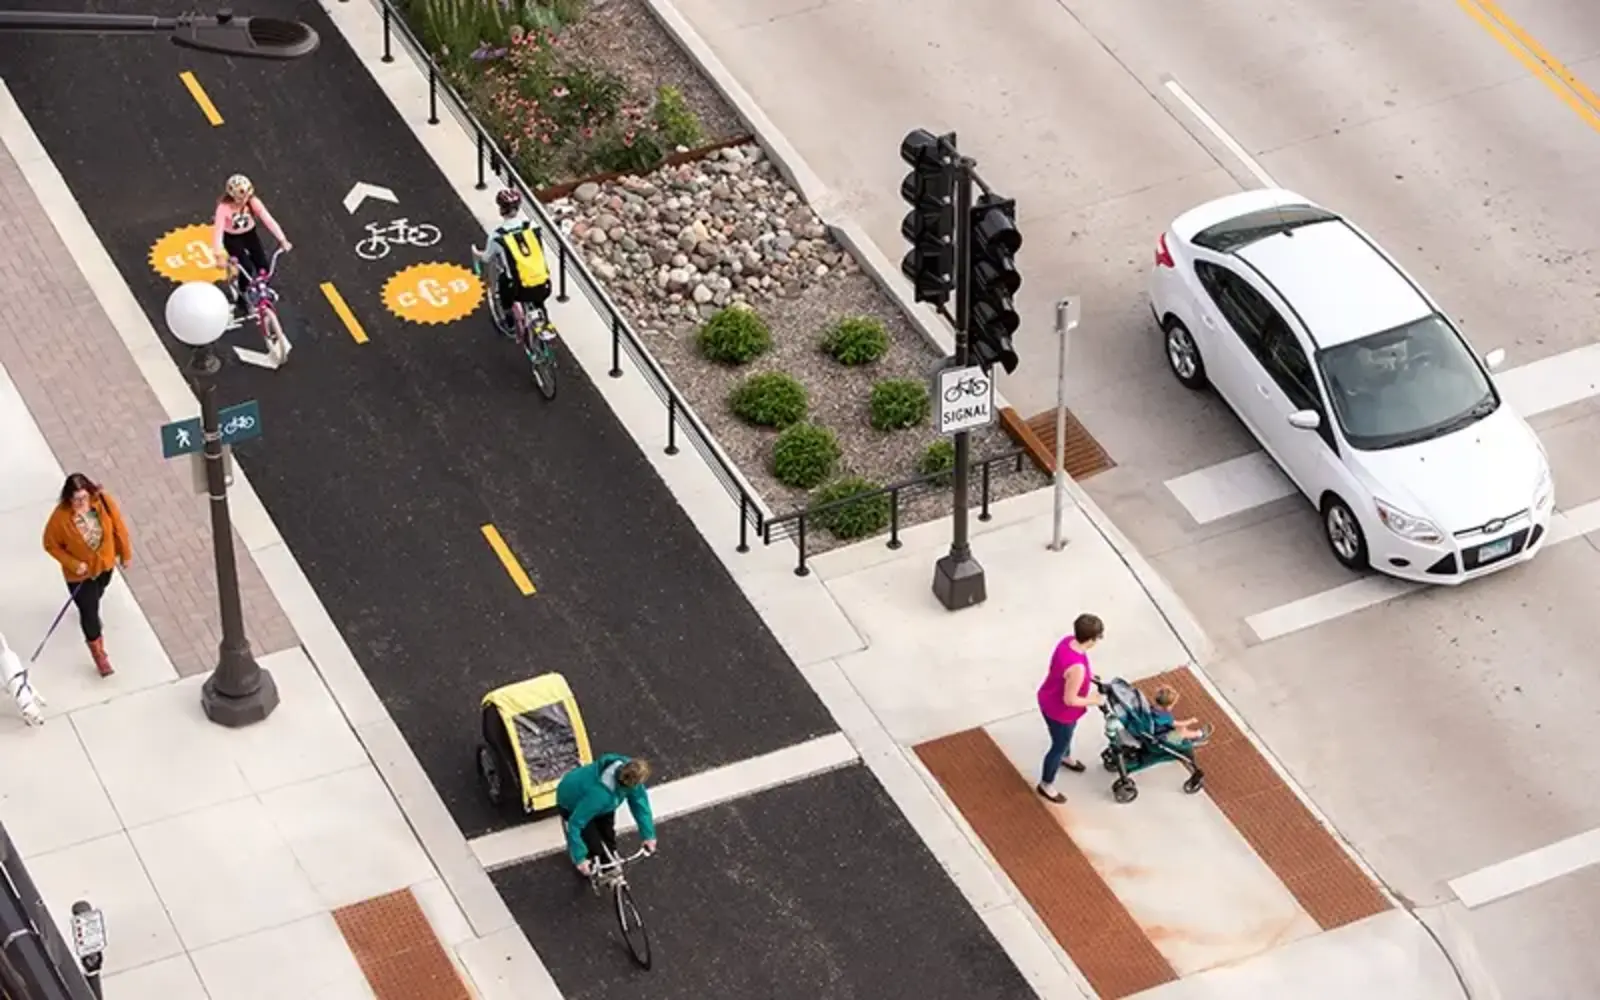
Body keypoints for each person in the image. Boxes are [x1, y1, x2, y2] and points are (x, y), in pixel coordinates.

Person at [41, 474, 132, 677]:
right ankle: (99, 654)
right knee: (89, 612)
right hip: (79, 575)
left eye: (84, 497)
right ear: (68, 498)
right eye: (76, 499)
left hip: (104, 566)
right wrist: (73, 564)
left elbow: (119, 527)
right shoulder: (60, 518)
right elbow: (50, 544)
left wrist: (125, 554)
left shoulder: (103, 502)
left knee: (98, 593)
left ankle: (92, 607)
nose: (81, 503)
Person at [1035, 612, 1105, 804]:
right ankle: (1046, 784)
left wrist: (1088, 677)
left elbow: (1064, 670)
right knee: (1058, 745)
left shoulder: (1067, 642)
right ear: (1091, 639)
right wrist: (1094, 700)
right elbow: (1070, 700)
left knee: (1062, 739)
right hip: (1061, 713)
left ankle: (1066, 757)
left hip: (1047, 698)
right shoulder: (1077, 668)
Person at [555, 754, 657, 876]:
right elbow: (575, 823)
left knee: (609, 837)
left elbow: (639, 803)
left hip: (603, 803)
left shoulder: (628, 769)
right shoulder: (600, 794)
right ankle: (591, 859)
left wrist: (648, 835)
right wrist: (579, 858)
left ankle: (606, 860)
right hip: (571, 803)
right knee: (593, 844)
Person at [471, 187, 552, 336]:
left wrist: (476, 254)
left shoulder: (497, 237)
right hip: (545, 284)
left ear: (501, 209)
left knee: (504, 288)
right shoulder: (532, 227)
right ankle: (544, 318)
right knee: (537, 297)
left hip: (518, 289)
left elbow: (486, 258)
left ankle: (509, 323)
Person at [212, 173, 291, 317]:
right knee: (246, 268)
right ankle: (242, 297)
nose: (244, 200)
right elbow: (217, 232)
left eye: (247, 196)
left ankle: (261, 290)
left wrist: (282, 239)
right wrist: (219, 255)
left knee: (263, 266)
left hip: (250, 235)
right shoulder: (223, 209)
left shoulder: (253, 202)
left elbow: (268, 220)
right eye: (241, 198)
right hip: (232, 239)